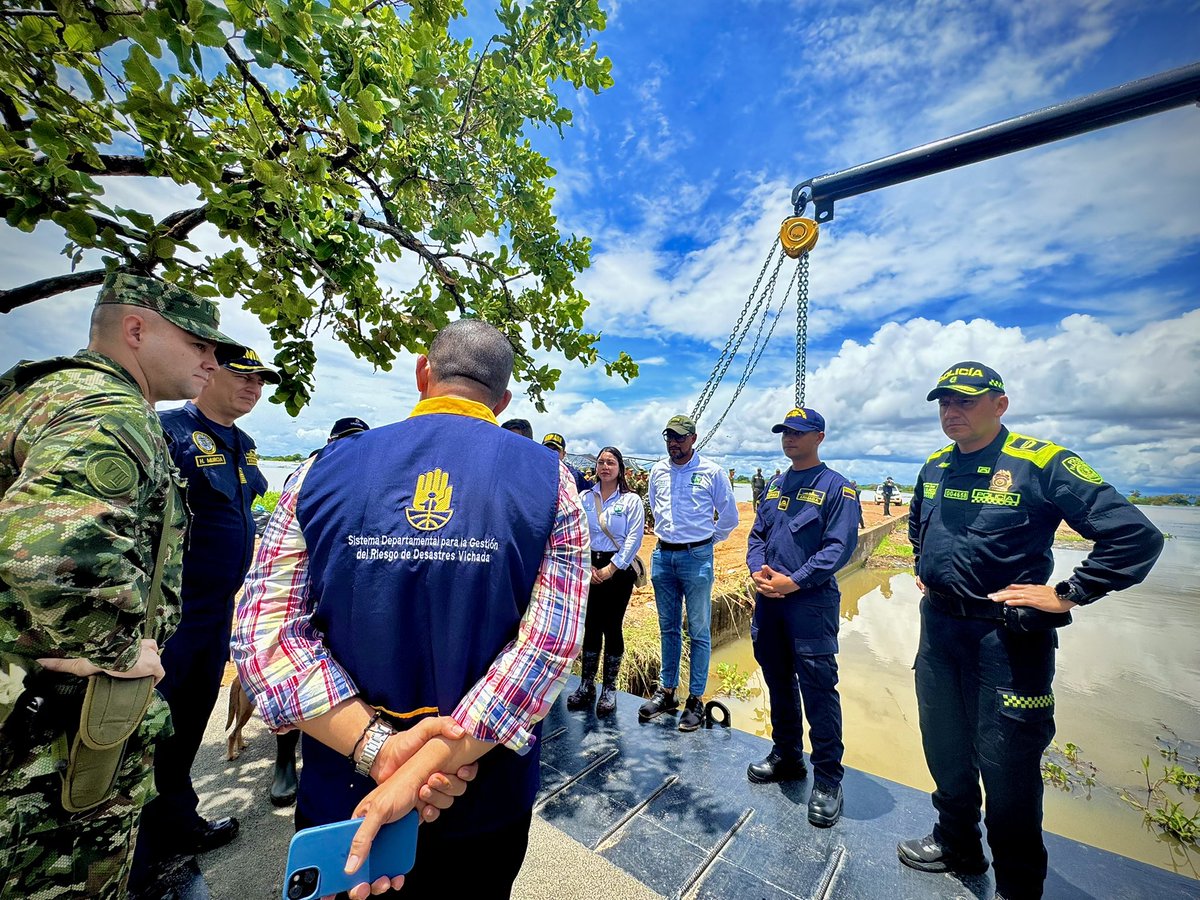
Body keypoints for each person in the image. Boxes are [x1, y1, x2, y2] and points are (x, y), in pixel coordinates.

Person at [233, 319, 588, 898]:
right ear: (502, 400)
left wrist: (375, 747)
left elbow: (262, 635)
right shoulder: (551, 483)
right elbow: (548, 648)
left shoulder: (316, 471)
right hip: (480, 797)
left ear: (423, 372)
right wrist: (432, 763)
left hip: (342, 800)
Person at [0, 273, 242, 898]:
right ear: (136, 329)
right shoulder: (109, 411)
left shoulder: (47, 395)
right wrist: (119, 646)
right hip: (54, 725)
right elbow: (51, 547)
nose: (213, 361)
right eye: (198, 345)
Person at [899, 361, 1164, 900]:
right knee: (944, 746)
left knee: (1008, 769)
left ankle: (1017, 886)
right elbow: (916, 526)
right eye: (945, 403)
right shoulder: (934, 465)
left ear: (1000, 404)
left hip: (1008, 641)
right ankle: (957, 844)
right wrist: (930, 569)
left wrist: (1069, 592)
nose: (952, 412)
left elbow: (1135, 536)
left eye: (966, 401)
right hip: (940, 633)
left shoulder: (1041, 462)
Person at [130, 348, 281, 888]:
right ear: (208, 371)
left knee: (189, 722)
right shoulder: (167, 432)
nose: (254, 388)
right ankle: (135, 856)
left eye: (260, 381)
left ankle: (177, 821)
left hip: (218, 614)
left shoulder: (244, 445)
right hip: (167, 616)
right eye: (243, 376)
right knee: (144, 733)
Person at [745, 408, 858, 827]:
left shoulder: (837, 489)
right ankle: (787, 755)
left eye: (798, 432)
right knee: (777, 679)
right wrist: (758, 570)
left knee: (818, 688)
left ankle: (828, 779)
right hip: (769, 600)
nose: (789, 438)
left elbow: (838, 548)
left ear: (819, 437)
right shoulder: (775, 485)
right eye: (785, 432)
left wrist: (794, 581)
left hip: (809, 603)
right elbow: (757, 535)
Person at [639, 414, 739, 731]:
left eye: (680, 438)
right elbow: (655, 506)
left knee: (698, 630)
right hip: (663, 556)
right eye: (669, 437)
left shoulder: (712, 472)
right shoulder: (658, 471)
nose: (674, 443)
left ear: (693, 439)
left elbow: (730, 516)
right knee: (668, 627)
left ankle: (695, 699)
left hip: (697, 558)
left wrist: (708, 541)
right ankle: (667, 692)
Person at [566, 446, 645, 716]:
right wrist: (587, 568)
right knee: (590, 625)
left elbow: (634, 539)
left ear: (620, 468)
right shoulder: (585, 497)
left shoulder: (631, 501)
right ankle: (586, 685)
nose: (605, 467)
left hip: (618, 569)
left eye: (611, 462)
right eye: (601, 462)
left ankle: (609, 689)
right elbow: (576, 533)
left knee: (612, 626)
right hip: (588, 566)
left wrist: (611, 569)